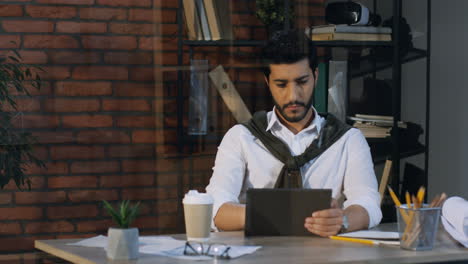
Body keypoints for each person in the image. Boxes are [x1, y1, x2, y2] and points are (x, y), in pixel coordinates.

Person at [205, 29, 382, 237]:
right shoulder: (240, 138)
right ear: (267, 82)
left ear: (315, 76)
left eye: (302, 82)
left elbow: (368, 203)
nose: (293, 96)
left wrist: (342, 220)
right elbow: (214, 208)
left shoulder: (348, 140)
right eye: (281, 84)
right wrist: (271, 215)